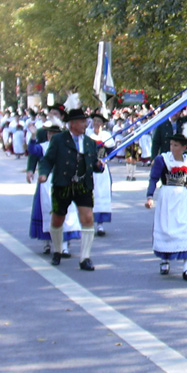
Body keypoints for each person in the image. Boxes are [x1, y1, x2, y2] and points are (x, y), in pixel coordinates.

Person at [37, 108, 104, 271]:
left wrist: (98, 166)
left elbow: (93, 163)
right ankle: (58, 251)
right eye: (82, 121)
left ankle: (85, 258)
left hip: (83, 185)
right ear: (72, 124)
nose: (85, 124)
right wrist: (44, 174)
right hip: (63, 184)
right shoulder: (59, 140)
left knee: (88, 218)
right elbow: (48, 160)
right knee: (58, 219)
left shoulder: (89, 142)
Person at [145, 133, 187, 280]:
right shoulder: (163, 160)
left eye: (176, 145)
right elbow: (153, 179)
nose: (172, 148)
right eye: (171, 145)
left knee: (186, 228)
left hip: (182, 198)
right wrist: (150, 196)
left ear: (184, 148)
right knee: (167, 228)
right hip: (167, 197)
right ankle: (165, 259)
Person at [27, 119, 82, 256]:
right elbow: (32, 150)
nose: (51, 136)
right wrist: (33, 136)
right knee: (47, 211)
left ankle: (64, 246)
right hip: (46, 182)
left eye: (55, 133)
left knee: (66, 212)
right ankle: (47, 241)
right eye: (50, 133)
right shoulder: (44, 146)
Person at [87, 112, 114, 236]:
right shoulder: (88, 134)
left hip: (102, 168)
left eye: (99, 121)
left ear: (103, 124)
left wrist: (104, 160)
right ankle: (88, 222)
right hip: (90, 168)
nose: (96, 123)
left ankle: (100, 224)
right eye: (95, 121)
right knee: (90, 194)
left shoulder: (107, 136)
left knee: (102, 193)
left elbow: (111, 152)